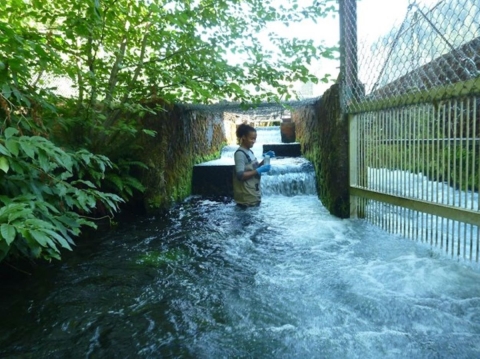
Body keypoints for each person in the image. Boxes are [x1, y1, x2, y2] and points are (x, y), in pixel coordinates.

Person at [233, 123, 275, 207]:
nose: (254, 141)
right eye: (251, 138)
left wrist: (266, 159)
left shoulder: (250, 151)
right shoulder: (240, 154)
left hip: (253, 196)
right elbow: (240, 175)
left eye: (255, 139)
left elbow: (255, 168)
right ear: (244, 137)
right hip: (246, 201)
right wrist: (258, 170)